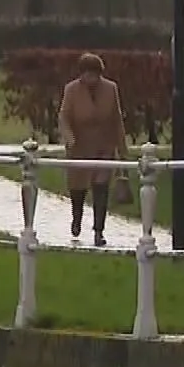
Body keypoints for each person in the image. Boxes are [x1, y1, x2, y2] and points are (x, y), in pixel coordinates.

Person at [57, 53, 129, 247]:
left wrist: (122, 150)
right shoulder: (71, 90)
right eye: (88, 74)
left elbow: (116, 120)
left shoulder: (111, 89)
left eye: (95, 74)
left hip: (103, 147)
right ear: (81, 74)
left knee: (101, 188)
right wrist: (70, 138)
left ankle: (99, 231)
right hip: (79, 147)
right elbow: (63, 117)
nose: (92, 79)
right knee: (78, 189)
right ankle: (77, 217)